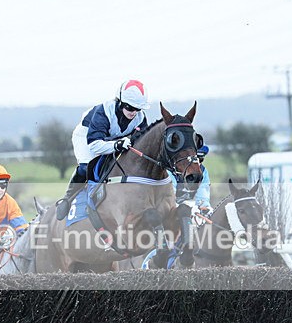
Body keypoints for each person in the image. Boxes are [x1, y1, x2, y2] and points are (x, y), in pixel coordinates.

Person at [55, 79, 150, 220]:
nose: (133, 112)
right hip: (88, 137)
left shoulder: (140, 118)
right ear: (120, 102)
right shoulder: (104, 112)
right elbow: (94, 144)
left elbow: (141, 142)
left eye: (137, 109)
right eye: (130, 107)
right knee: (87, 167)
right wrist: (116, 145)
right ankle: (67, 199)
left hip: (112, 138)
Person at [170, 144, 211, 217]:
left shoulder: (203, 171)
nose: (197, 163)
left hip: (189, 207)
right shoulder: (170, 171)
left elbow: (203, 197)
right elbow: (169, 196)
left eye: (200, 159)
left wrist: (204, 208)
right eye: (194, 159)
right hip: (171, 207)